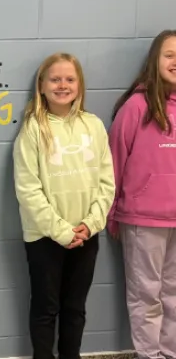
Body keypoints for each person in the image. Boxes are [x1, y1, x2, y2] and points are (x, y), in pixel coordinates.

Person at [13, 52, 115, 359]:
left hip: (86, 234)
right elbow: (28, 190)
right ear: (41, 85)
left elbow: (107, 182)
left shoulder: (94, 126)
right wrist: (61, 231)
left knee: (75, 309)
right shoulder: (33, 129)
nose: (62, 85)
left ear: (80, 85)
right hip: (45, 237)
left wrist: (92, 224)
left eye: (70, 79)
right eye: (55, 79)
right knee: (46, 309)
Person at [108, 29, 176, 359]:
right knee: (146, 295)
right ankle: (150, 356)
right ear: (154, 60)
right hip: (143, 219)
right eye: (169, 55)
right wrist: (110, 213)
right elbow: (114, 164)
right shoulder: (137, 107)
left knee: (173, 294)